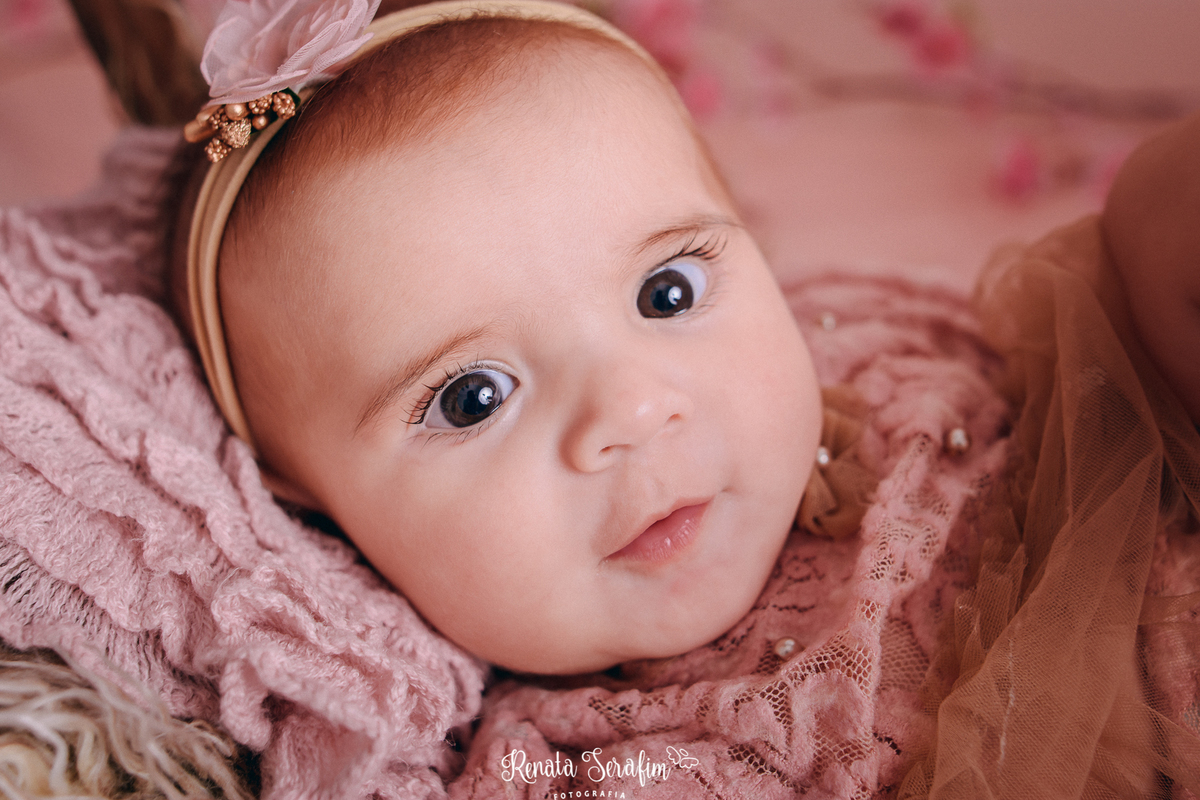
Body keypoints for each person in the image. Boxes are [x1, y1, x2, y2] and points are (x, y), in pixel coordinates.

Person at [167, 0, 1200, 795]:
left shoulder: (878, 351)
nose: (631, 409)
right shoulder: (563, 763)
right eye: (474, 396)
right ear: (299, 497)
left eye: (669, 293)